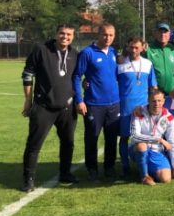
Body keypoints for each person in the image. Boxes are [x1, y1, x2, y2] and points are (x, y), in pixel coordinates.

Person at [20, 24, 79, 191]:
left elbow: (76, 76)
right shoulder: (41, 49)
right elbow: (28, 73)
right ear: (56, 33)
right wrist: (28, 100)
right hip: (43, 106)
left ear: (73, 37)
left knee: (68, 143)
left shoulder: (74, 54)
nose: (65, 37)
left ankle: (65, 173)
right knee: (34, 144)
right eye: (62, 33)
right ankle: (28, 179)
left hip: (67, 107)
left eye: (69, 34)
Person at [73, 23, 120, 181]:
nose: (108, 38)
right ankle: (92, 169)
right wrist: (79, 100)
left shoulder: (113, 52)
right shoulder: (87, 52)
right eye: (105, 34)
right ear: (98, 34)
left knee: (111, 138)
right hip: (94, 104)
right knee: (92, 138)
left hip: (114, 103)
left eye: (111, 35)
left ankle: (109, 167)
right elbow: (77, 76)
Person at [117, 36, 157, 177]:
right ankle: (125, 166)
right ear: (127, 47)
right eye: (131, 47)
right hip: (125, 108)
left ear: (142, 48)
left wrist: (154, 104)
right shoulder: (120, 64)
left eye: (136, 47)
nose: (134, 50)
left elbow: (153, 86)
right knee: (124, 137)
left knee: (146, 137)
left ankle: (145, 166)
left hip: (143, 108)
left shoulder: (148, 64)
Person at [130, 88, 174, 185]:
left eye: (159, 101)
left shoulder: (169, 117)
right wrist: (159, 140)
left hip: (156, 151)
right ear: (148, 100)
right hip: (137, 149)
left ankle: (148, 169)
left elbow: (172, 142)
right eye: (153, 101)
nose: (157, 104)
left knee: (166, 179)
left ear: (164, 101)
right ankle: (144, 177)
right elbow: (135, 136)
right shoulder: (138, 112)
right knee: (142, 145)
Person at [143, 22, 174, 95]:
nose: (162, 34)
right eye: (160, 32)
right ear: (155, 34)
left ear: (169, 34)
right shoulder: (148, 49)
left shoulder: (173, 49)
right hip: (154, 93)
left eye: (165, 32)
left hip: (172, 93)